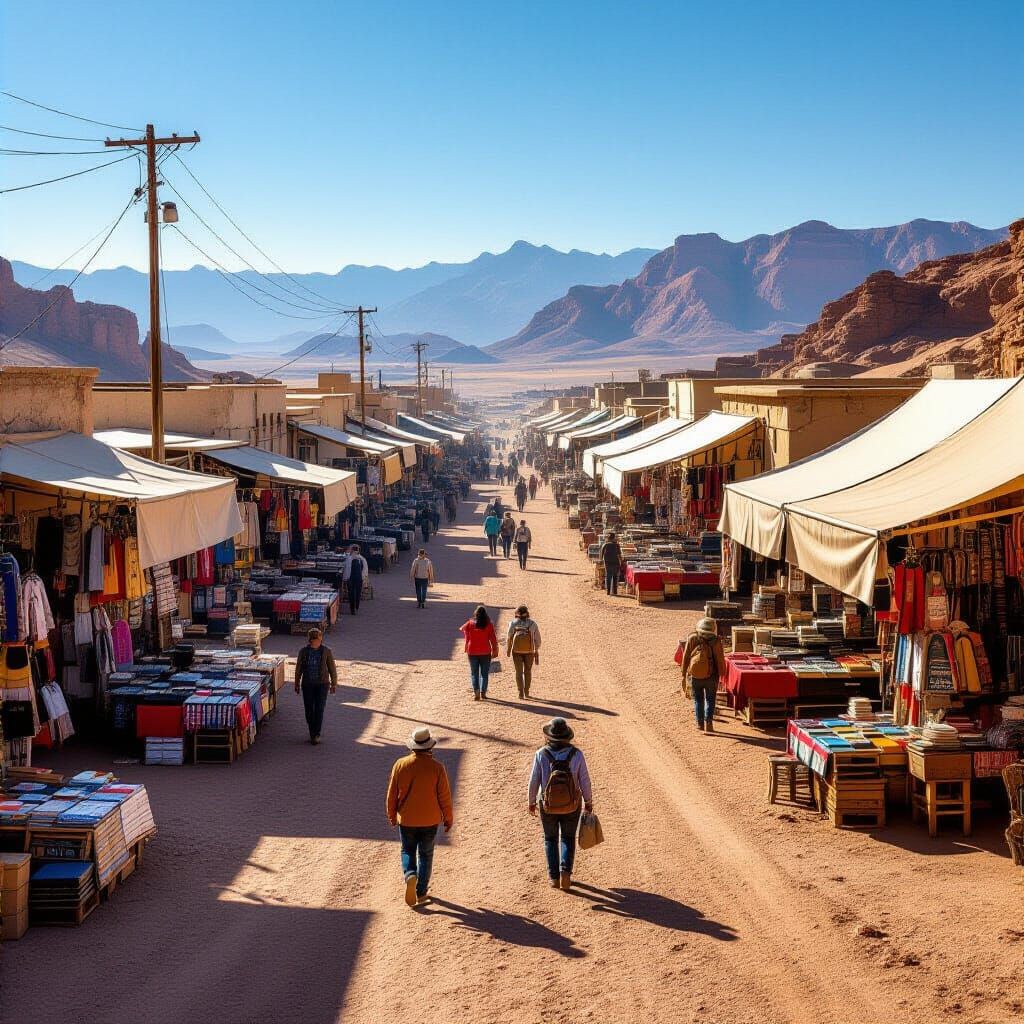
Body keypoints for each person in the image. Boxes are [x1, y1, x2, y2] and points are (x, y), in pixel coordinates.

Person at [386, 726, 453, 908]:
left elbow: (392, 794)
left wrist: (392, 815)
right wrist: (448, 818)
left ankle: (410, 875)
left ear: (412, 746)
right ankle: (421, 892)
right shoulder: (437, 768)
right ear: (430, 746)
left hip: (407, 819)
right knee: (426, 854)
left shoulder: (400, 765)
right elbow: (444, 796)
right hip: (430, 820)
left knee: (407, 850)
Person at [528, 718, 593, 890]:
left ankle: (554, 877)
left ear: (549, 737)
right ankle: (566, 873)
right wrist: (588, 801)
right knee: (568, 837)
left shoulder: (541, 754)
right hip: (572, 804)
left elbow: (534, 780)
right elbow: (584, 780)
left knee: (550, 839)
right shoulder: (577, 754)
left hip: (547, 805)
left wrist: (531, 801)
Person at [679, 617, 727, 733]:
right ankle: (709, 723)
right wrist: (722, 675)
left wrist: (684, 673)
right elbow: (720, 660)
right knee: (710, 700)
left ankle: (700, 723)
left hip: (696, 676)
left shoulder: (692, 638)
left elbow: (686, 657)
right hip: (712, 676)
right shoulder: (716, 641)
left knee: (698, 700)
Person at [293, 627, 338, 744]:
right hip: (307, 684)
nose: (319, 640)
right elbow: (299, 669)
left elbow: (332, 668)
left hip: (322, 685)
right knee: (309, 709)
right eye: (317, 638)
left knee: (319, 709)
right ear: (311, 639)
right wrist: (296, 683)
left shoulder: (326, 651)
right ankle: (312, 731)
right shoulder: (303, 652)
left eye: (319, 638)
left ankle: (316, 734)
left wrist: (334, 683)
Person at [460, 605, 499, 700]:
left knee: (474, 673)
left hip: (472, 651)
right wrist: (495, 650)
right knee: (484, 674)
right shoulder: (489, 624)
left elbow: (462, 629)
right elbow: (493, 639)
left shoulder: (470, 623)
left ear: (476, 614)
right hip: (485, 652)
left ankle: (476, 691)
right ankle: (483, 692)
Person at [506, 604, 541, 699]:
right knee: (528, 672)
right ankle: (527, 691)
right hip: (529, 651)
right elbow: (538, 639)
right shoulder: (533, 624)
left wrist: (508, 649)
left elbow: (509, 637)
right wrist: (536, 649)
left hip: (516, 651)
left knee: (518, 672)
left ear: (517, 613)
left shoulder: (513, 623)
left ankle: (520, 692)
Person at [341, 544, 369, 615]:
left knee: (355, 593)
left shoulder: (359, 559)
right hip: (353, 578)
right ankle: (353, 608)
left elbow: (365, 569)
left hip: (356, 578)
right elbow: (346, 568)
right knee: (353, 593)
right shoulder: (352, 558)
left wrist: (363, 577)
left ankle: (355, 607)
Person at [599, 531, 623, 596]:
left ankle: (608, 591)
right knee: (615, 577)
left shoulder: (605, 545)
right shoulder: (617, 545)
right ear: (614, 538)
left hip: (607, 563)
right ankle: (615, 591)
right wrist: (621, 562)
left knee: (608, 577)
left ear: (608, 538)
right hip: (616, 563)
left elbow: (601, 555)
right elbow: (619, 555)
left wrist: (602, 562)